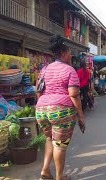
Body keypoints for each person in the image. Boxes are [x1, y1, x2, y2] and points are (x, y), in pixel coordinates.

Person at [35, 35, 85, 180]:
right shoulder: (70, 70)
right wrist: (80, 115)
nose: (71, 55)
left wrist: (43, 106)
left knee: (49, 139)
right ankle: (59, 177)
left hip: (42, 110)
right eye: (69, 53)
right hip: (61, 110)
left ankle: (45, 170)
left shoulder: (44, 70)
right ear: (63, 54)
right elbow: (74, 95)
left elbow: (38, 89)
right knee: (60, 145)